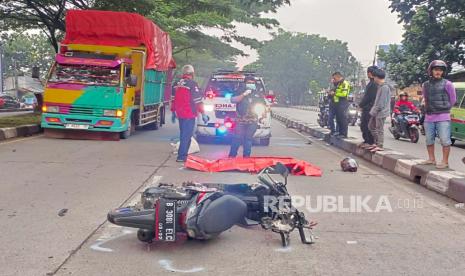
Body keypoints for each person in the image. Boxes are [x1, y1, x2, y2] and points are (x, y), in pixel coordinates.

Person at [421, 60, 457, 169]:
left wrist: (444, 108)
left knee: (445, 140)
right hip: (429, 116)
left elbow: (453, 100)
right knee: (429, 139)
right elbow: (425, 99)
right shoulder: (425, 85)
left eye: (440, 70)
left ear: (443, 72)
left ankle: (445, 162)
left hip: (443, 116)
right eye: (436, 69)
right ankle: (431, 159)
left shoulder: (448, 84)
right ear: (431, 71)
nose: (438, 72)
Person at [171, 65, 209, 162]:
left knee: (183, 134)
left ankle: (183, 155)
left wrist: (173, 111)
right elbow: (197, 100)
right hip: (189, 113)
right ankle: (181, 156)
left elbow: (173, 99)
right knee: (186, 136)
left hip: (180, 113)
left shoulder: (176, 83)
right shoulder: (192, 84)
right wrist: (203, 113)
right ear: (192, 74)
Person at [228, 76, 266, 158]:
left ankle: (246, 158)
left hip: (253, 120)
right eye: (249, 83)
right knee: (237, 138)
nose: (251, 84)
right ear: (245, 83)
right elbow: (233, 100)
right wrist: (244, 94)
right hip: (240, 120)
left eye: (252, 83)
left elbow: (263, 106)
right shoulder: (239, 91)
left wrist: (263, 116)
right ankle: (231, 156)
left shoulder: (257, 94)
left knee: (248, 139)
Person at [368, 69, 391, 152]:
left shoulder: (384, 87)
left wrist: (373, 112)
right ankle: (376, 143)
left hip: (381, 112)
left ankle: (380, 145)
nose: (373, 79)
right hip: (377, 111)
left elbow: (381, 103)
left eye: (374, 77)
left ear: (377, 77)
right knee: (371, 126)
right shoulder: (380, 87)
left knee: (379, 129)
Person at [358, 66, 378, 148]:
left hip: (370, 108)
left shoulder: (373, 84)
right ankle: (367, 140)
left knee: (367, 125)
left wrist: (361, 104)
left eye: (368, 73)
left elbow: (368, 97)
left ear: (370, 73)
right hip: (368, 107)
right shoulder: (371, 83)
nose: (367, 74)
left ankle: (370, 141)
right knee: (364, 125)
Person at [330, 72, 351, 138]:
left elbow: (344, 94)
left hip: (343, 102)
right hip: (337, 103)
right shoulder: (339, 83)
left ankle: (344, 134)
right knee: (338, 118)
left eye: (334, 78)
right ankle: (339, 132)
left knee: (343, 118)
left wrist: (334, 94)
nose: (334, 79)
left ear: (338, 77)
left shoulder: (345, 83)